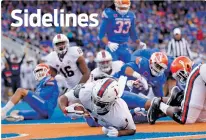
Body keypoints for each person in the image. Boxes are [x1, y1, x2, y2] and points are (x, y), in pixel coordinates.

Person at [64, 78, 136, 137]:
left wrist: (119, 133)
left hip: (124, 95)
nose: (96, 105)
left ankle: (136, 111)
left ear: (111, 103)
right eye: (95, 100)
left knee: (144, 106)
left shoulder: (121, 114)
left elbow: (132, 129)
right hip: (103, 116)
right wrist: (65, 110)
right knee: (93, 123)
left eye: (101, 104)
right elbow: (62, 98)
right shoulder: (85, 91)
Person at [147, 57, 206, 124]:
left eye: (180, 76)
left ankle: (179, 97)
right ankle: (159, 104)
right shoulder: (197, 71)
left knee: (201, 117)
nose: (181, 79)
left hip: (199, 76)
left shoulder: (200, 70)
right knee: (186, 119)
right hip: (198, 77)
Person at [44, 34, 90, 106]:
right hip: (71, 87)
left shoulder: (74, 52)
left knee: (86, 103)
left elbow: (86, 73)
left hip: (84, 84)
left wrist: (79, 87)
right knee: (62, 102)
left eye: (63, 43)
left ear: (67, 43)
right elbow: (52, 76)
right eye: (58, 44)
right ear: (54, 45)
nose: (61, 45)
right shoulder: (52, 57)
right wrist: (47, 79)